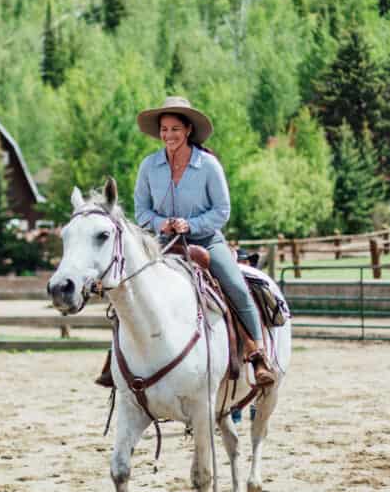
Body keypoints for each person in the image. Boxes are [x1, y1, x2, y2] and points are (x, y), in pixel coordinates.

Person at [95, 95, 276, 389]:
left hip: (205, 240)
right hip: (161, 243)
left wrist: (190, 224)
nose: (168, 135)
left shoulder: (208, 165)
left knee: (237, 287)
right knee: (127, 290)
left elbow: (222, 210)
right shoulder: (149, 166)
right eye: (164, 130)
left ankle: (257, 354)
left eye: (175, 129)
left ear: (188, 130)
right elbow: (141, 210)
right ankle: (115, 360)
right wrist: (159, 223)